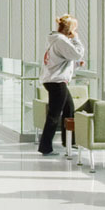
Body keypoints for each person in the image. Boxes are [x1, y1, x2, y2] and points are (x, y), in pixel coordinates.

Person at [37, 15, 84, 155]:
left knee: (69, 109)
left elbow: (61, 62)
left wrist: (76, 65)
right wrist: (75, 38)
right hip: (57, 82)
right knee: (54, 115)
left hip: (54, 80)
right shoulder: (61, 41)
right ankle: (45, 147)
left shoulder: (54, 40)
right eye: (74, 28)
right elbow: (77, 54)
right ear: (70, 29)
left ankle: (69, 141)